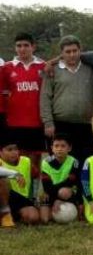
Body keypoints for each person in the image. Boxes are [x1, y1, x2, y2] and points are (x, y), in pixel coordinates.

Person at [40, 35, 93, 163]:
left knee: (85, 164)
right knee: (61, 165)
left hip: (84, 126)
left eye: (75, 51)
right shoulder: (52, 70)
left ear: (80, 50)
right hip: (60, 125)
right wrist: (48, 122)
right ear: (62, 53)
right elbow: (45, 97)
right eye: (68, 52)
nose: (72, 55)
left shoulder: (90, 68)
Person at [1, 33, 46, 163]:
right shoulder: (7, 68)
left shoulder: (43, 66)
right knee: (16, 160)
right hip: (14, 123)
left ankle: (35, 184)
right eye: (19, 46)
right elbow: (3, 94)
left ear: (33, 47)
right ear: (15, 48)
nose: (22, 49)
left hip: (37, 122)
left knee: (35, 161)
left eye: (26, 45)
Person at [39, 133, 81, 224]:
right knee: (44, 220)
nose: (59, 149)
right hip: (51, 192)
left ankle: (71, 206)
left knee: (64, 192)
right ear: (52, 148)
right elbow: (46, 186)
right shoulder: (46, 162)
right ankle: (50, 209)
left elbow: (70, 182)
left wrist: (59, 200)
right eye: (56, 146)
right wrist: (54, 198)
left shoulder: (74, 162)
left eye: (63, 146)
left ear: (69, 148)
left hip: (67, 191)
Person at [0, 136, 40, 225]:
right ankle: (5, 214)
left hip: (21, 200)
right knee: (2, 180)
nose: (14, 153)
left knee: (33, 217)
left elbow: (37, 177)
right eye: (9, 150)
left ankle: (13, 216)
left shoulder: (26, 161)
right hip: (4, 200)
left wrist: (37, 197)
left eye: (15, 149)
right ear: (1, 152)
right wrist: (15, 174)